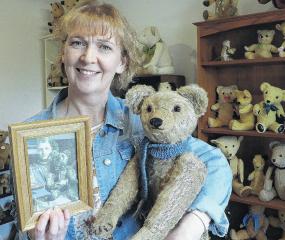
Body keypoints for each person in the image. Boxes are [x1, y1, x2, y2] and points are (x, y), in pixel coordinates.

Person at [25, 1, 232, 239]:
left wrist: (190, 225)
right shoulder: (31, 134)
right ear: (63, 53)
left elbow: (215, 163)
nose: (88, 57)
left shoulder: (141, 119)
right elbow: (18, 221)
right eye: (77, 43)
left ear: (122, 62)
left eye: (104, 47)